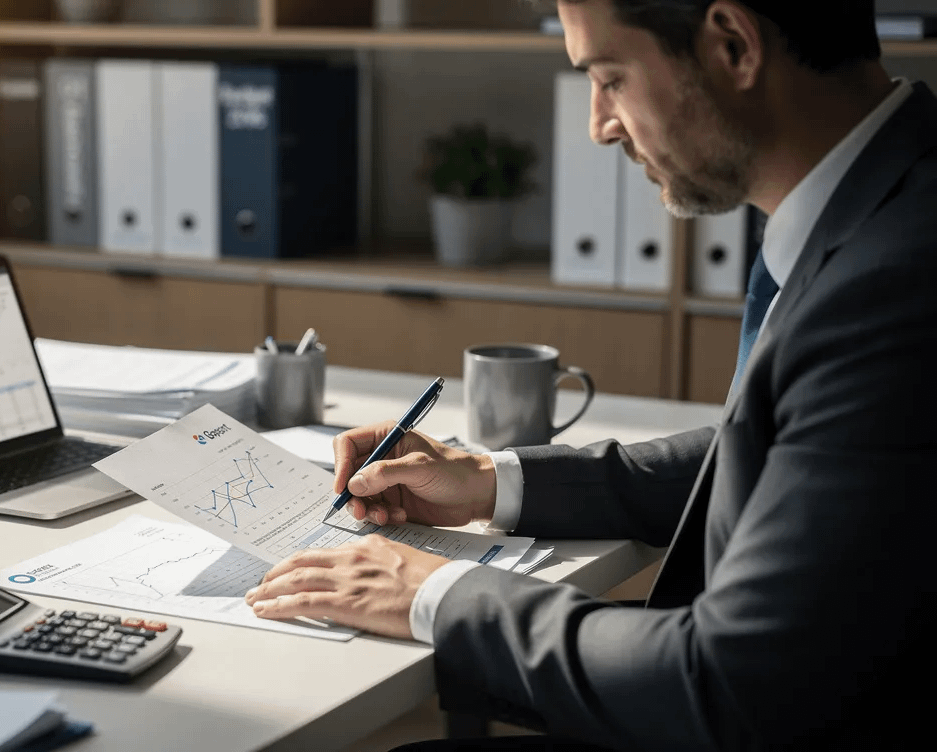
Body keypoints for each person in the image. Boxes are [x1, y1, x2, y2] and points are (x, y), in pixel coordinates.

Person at [243, 1, 937, 749]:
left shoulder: (897, 282)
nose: (599, 124)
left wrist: (432, 591)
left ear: (734, 47)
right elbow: (786, 450)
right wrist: (491, 480)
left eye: (610, 78)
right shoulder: (881, 207)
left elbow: (733, 687)